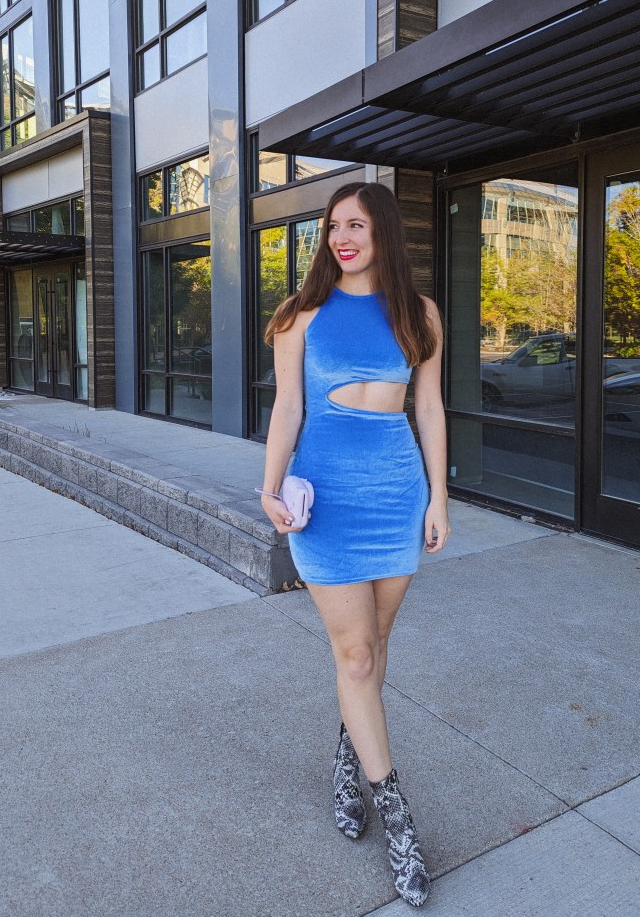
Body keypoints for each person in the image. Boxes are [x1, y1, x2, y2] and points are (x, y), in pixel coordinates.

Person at [258, 182, 450, 908]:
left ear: (384, 233)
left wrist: (438, 496)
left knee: (372, 645)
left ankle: (346, 764)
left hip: (395, 496)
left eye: (357, 225)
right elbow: (287, 407)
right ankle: (399, 821)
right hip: (327, 498)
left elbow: (427, 407)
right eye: (333, 226)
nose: (342, 237)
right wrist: (270, 489)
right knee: (358, 654)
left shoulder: (419, 314)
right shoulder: (299, 315)